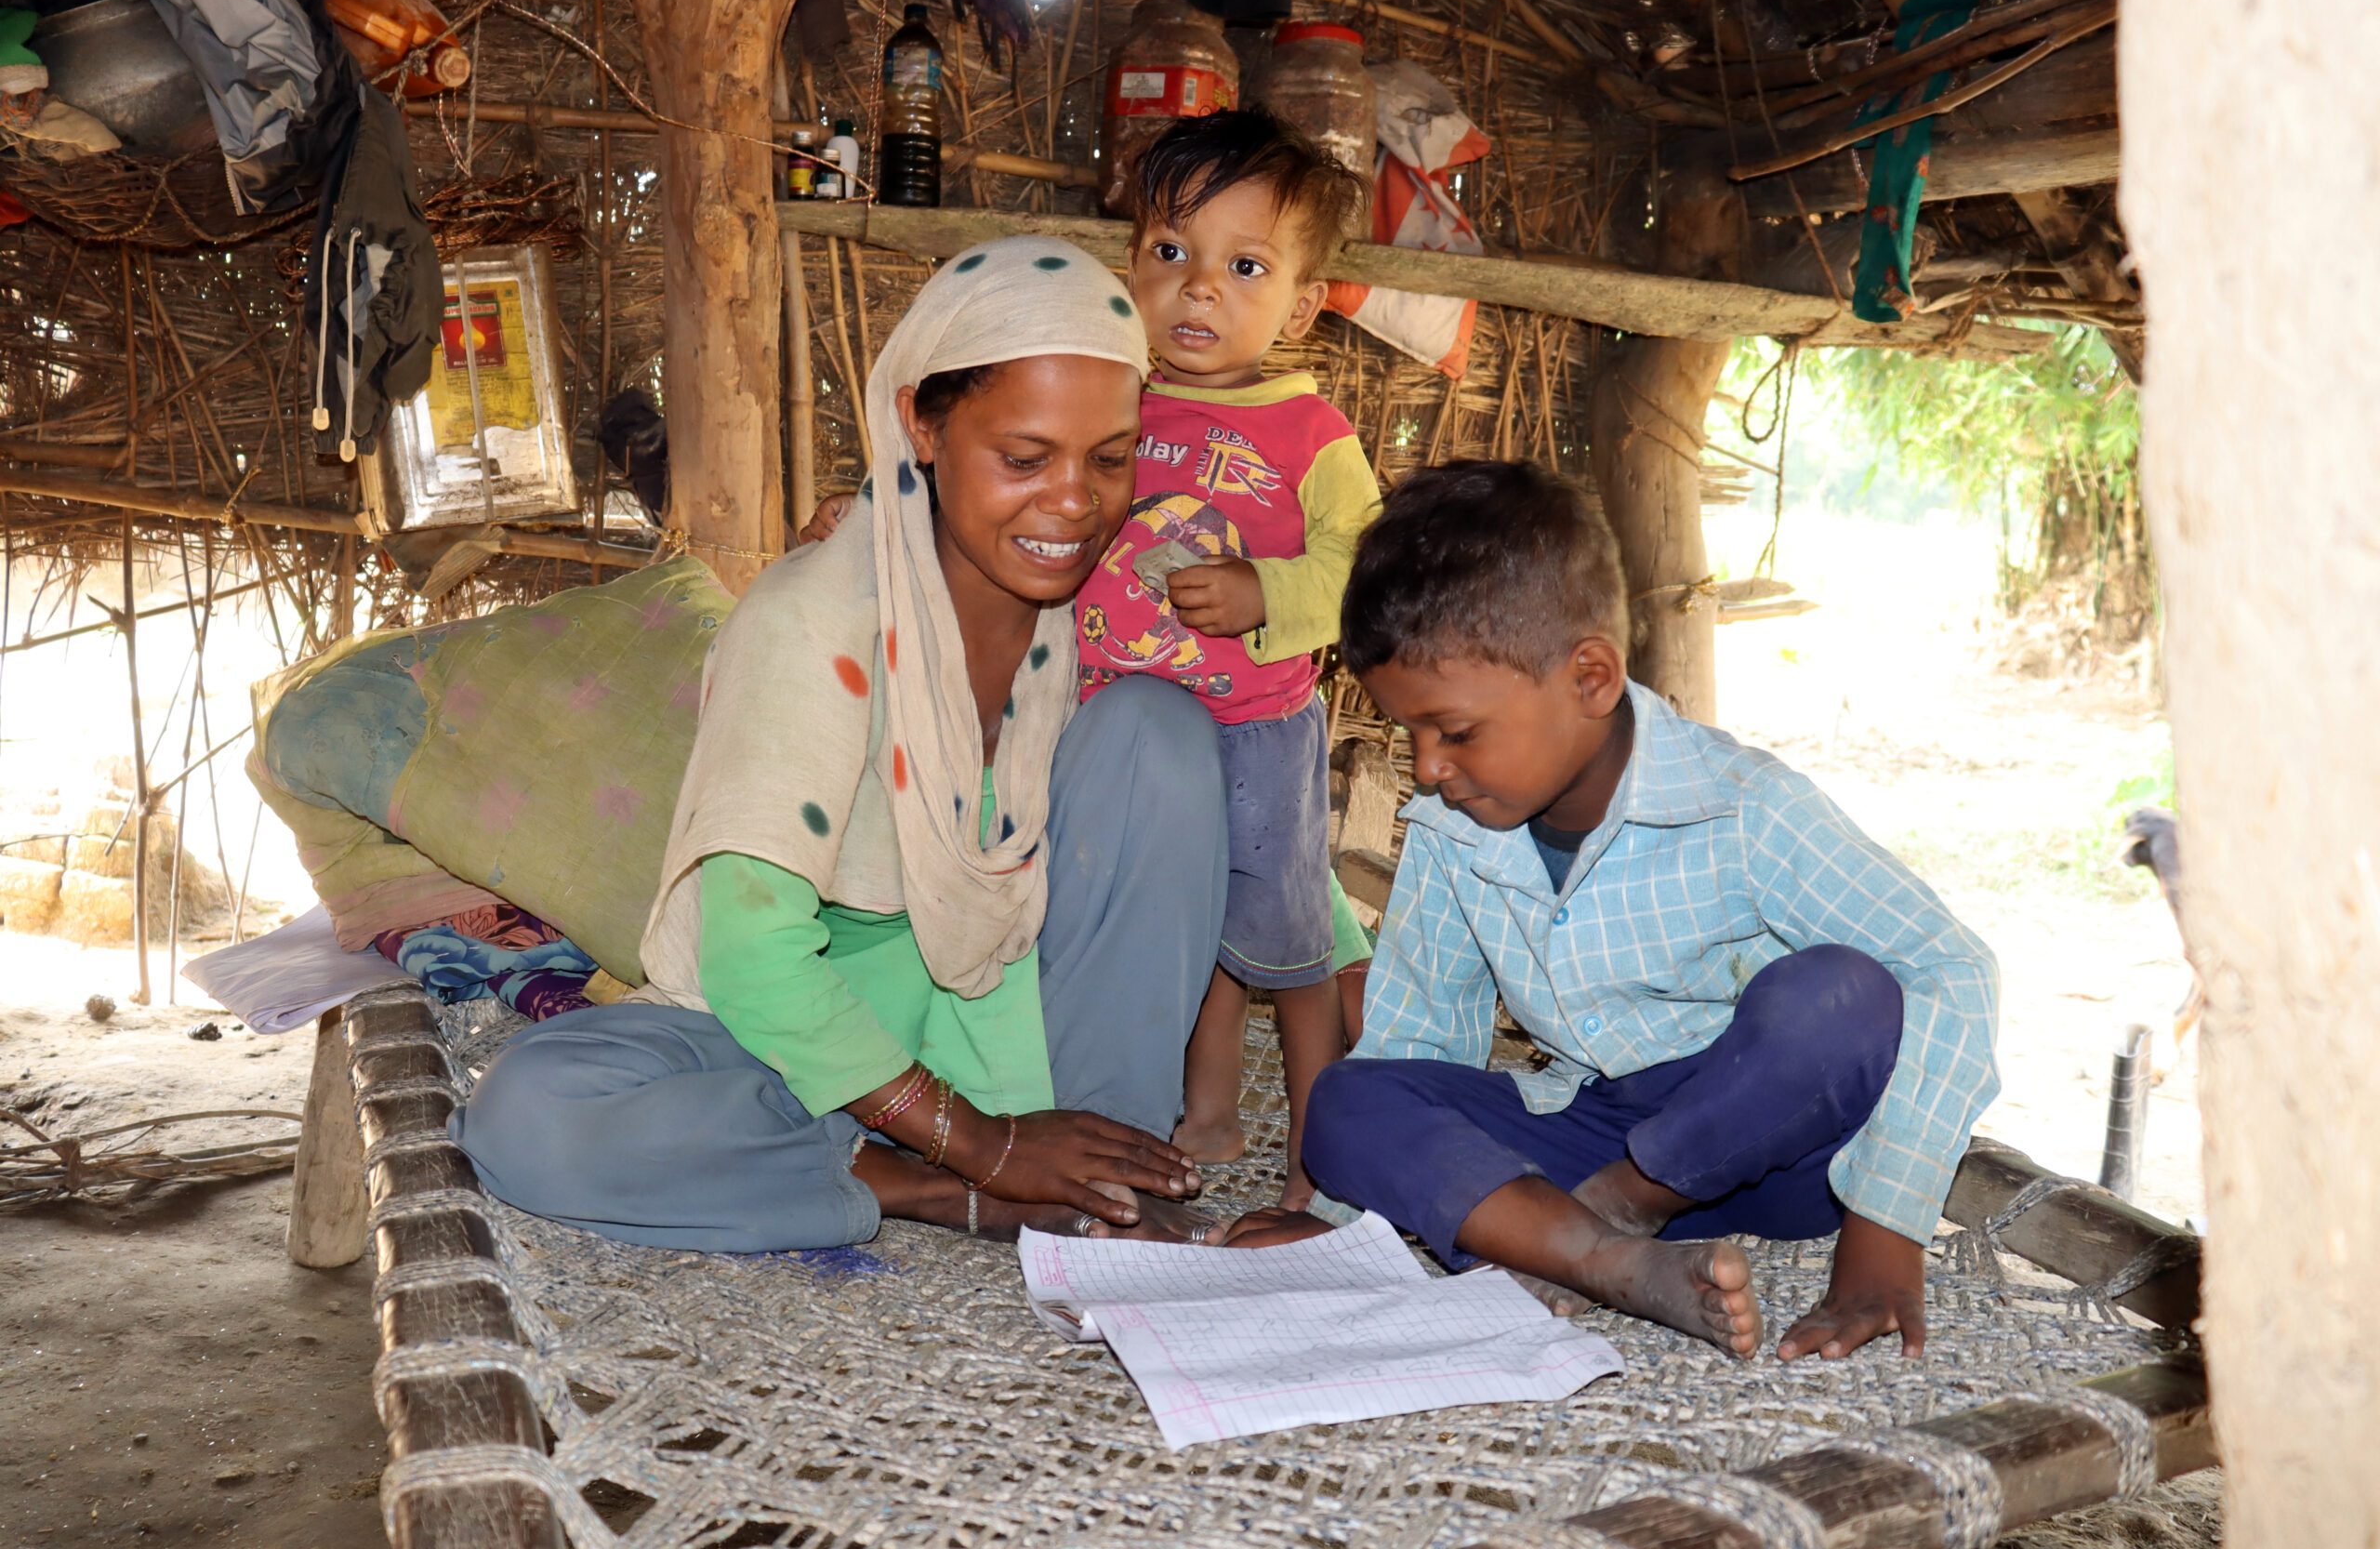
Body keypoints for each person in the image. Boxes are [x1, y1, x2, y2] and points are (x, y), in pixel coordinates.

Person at [448, 236, 1231, 1251]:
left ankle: (1107, 1169)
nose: (1074, 501)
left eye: (1110, 458)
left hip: (996, 1008)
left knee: (1158, 734)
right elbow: (755, 964)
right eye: (1024, 458)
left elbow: (1197, 825)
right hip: (790, 1038)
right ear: (921, 422)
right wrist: (980, 1151)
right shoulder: (811, 621)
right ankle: (931, 1189)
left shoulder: (1096, 605)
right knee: (532, 1117)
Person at [1224, 461, 2001, 1363]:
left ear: (1590, 677)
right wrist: (1348, 1222)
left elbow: (1953, 969)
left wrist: (1885, 1239)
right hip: (1589, 1130)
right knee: (1348, 1104)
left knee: (1844, 995)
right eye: (1411, 735)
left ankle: (1602, 1221)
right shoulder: (1451, 829)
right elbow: (1422, 1030)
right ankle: (1602, 1259)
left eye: (1457, 731)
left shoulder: (1743, 808)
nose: (1428, 766)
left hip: (1777, 1154)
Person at [1073, 109, 1379, 1207]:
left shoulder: (1310, 433)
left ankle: (1316, 1157)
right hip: (1118, 730)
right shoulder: (1110, 397)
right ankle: (1202, 1120)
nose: (1199, 288)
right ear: (1130, 268)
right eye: (1171, 254)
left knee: (1289, 951)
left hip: (1255, 731)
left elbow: (1366, 570)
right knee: (1181, 929)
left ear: (1300, 303)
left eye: (1242, 266)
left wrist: (1265, 593)